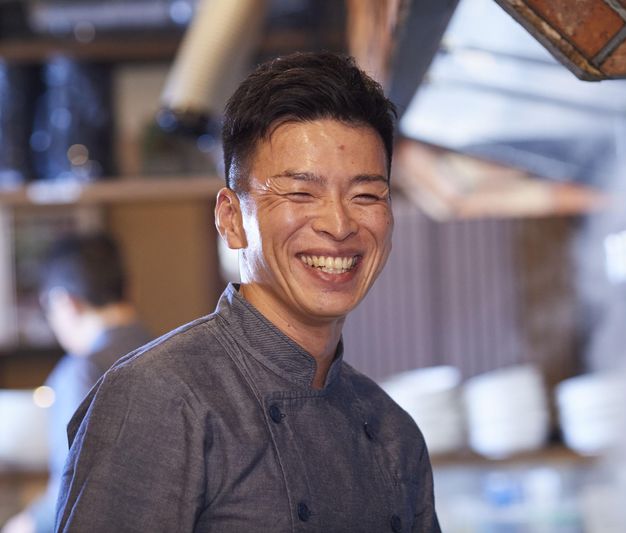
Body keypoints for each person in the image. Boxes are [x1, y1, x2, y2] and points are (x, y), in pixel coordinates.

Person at [55, 52, 440, 532]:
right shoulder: (161, 396)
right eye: (300, 193)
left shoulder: (393, 433)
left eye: (366, 195)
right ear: (231, 219)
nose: (340, 225)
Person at [1, 234, 151, 533]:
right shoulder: (172, 350)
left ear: (65, 303)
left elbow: (73, 491)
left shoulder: (81, 373)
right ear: (129, 288)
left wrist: (26, 525)